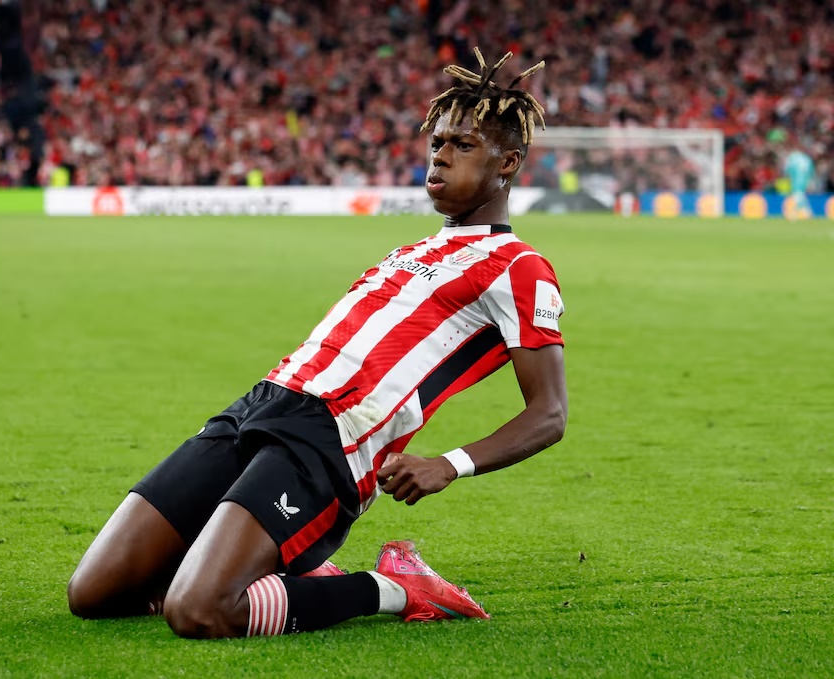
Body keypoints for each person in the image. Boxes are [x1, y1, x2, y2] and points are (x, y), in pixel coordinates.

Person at [67, 48, 568, 639]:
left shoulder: (518, 266)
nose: (440, 156)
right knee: (94, 592)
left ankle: (393, 588)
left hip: (331, 440)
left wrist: (449, 464)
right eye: (437, 143)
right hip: (262, 403)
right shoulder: (412, 251)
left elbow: (549, 414)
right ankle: (282, 566)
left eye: (463, 146)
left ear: (508, 163)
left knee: (198, 610)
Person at [783, 145, 815, 220]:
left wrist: (788, 176)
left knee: (797, 196)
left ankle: (796, 213)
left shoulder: (792, 157)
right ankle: (806, 212)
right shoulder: (807, 159)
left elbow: (787, 169)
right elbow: (811, 171)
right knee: (800, 196)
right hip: (805, 180)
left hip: (796, 180)